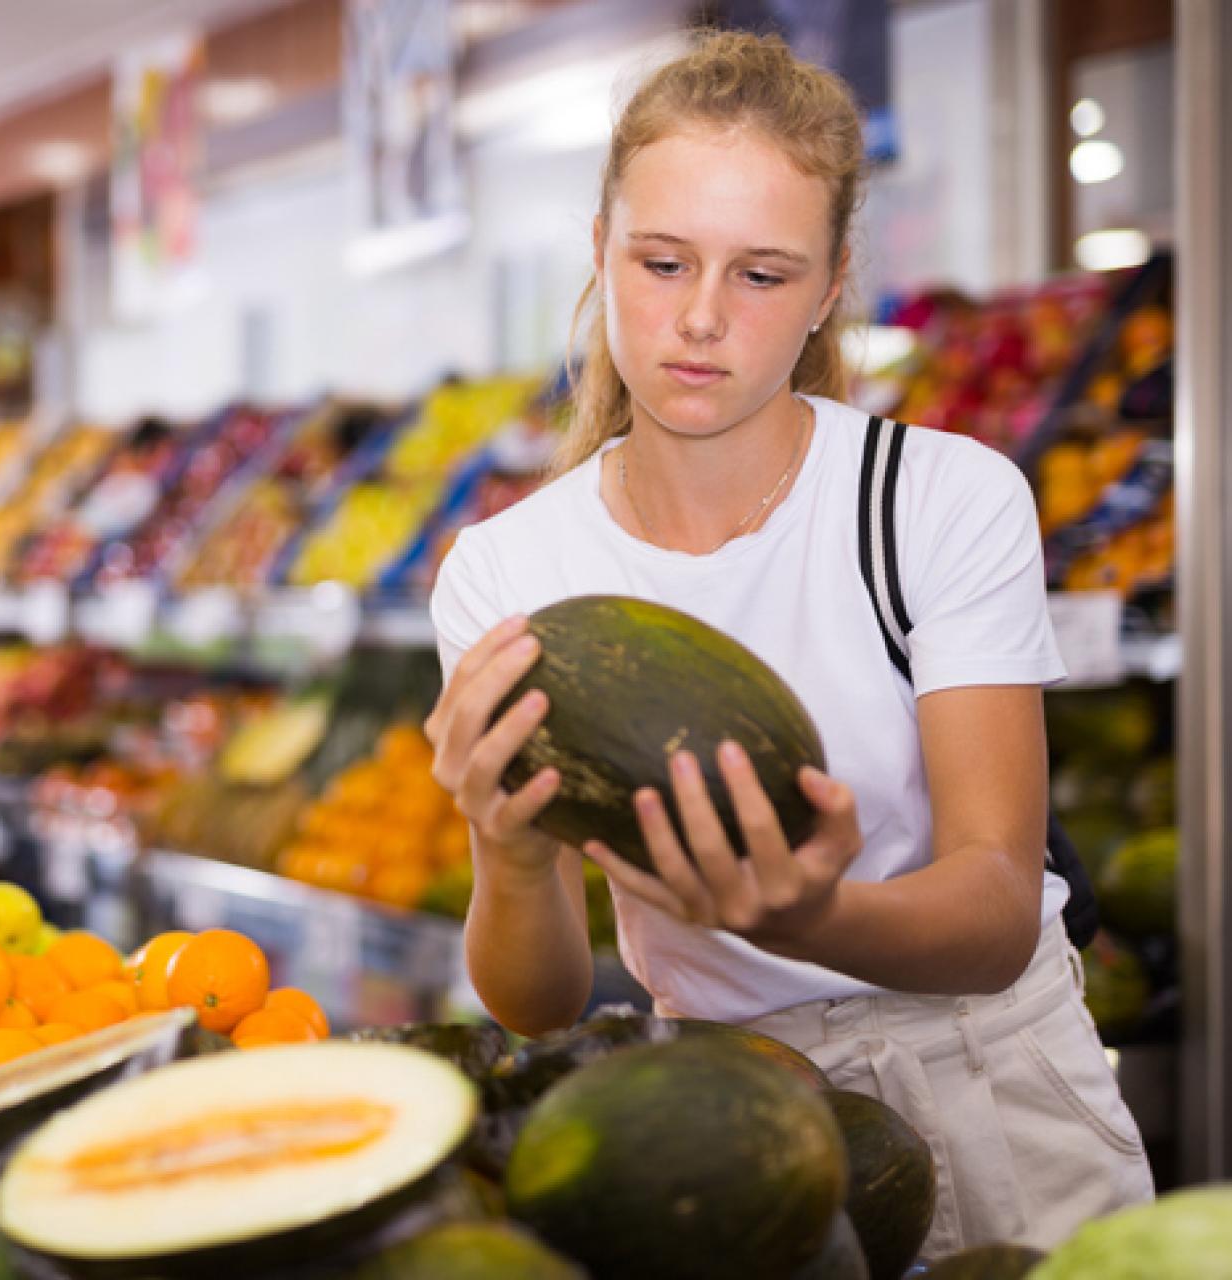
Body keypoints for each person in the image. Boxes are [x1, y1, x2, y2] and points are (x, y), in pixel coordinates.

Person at [425, 29, 1153, 1258]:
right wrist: (503, 852)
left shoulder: (936, 500)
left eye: (761, 276)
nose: (699, 318)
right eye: (660, 261)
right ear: (600, 250)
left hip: (997, 1092)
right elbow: (538, 1002)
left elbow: (988, 910)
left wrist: (793, 911)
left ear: (827, 289)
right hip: (720, 1126)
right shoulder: (507, 573)